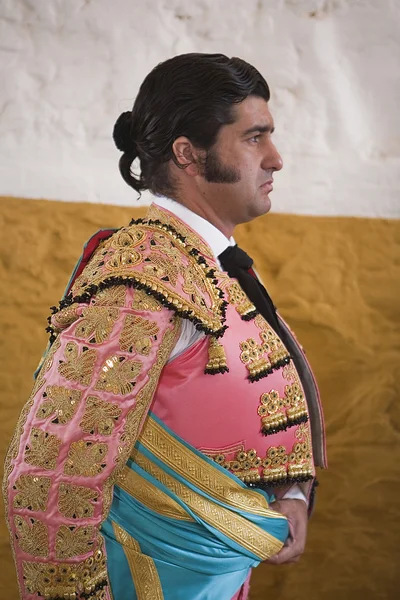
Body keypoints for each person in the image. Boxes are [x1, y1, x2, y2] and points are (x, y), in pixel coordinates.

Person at [3, 53, 326, 600]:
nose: (275, 159)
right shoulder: (140, 279)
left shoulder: (208, 263)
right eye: (253, 138)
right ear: (188, 153)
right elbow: (46, 483)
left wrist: (289, 492)